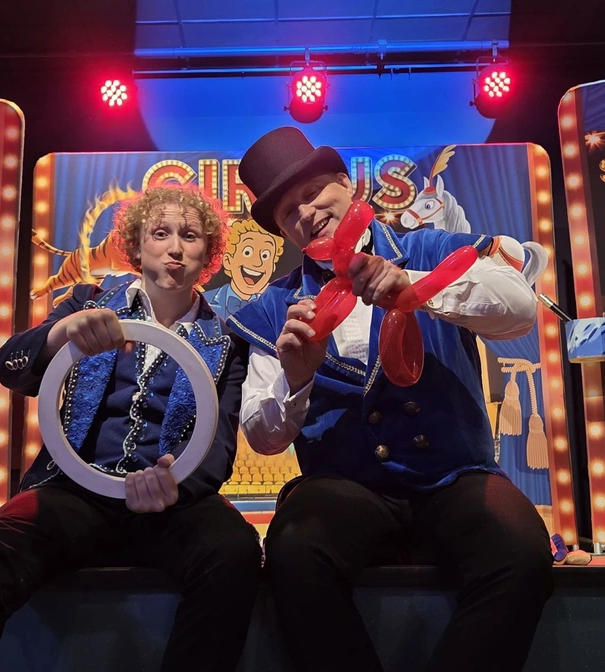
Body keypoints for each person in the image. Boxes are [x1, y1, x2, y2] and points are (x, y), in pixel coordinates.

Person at [0, 184, 261, 672]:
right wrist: (60, 333)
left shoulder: (225, 339)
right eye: (160, 233)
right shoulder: (89, 300)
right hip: (73, 491)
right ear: (136, 244)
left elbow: (218, 443)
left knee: (233, 552)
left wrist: (175, 487)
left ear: (208, 253)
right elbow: (10, 368)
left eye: (189, 236)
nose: (175, 247)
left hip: (173, 503)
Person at [228, 127, 553, 672]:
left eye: (312, 192)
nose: (305, 213)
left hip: (455, 477)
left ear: (346, 184)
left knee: (521, 553)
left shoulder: (430, 248)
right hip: (345, 490)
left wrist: (417, 287)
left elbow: (519, 309)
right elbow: (264, 438)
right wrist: (297, 379)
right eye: (288, 212)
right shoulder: (272, 310)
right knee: (294, 549)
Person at [204, 217, 284, 319]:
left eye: (265, 256)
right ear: (228, 260)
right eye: (247, 252)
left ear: (272, 267)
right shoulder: (203, 302)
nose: (257, 263)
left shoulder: (278, 308)